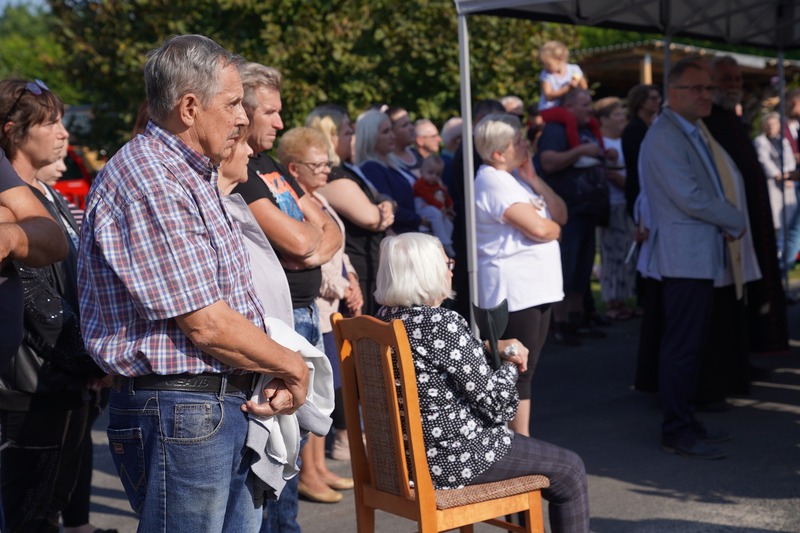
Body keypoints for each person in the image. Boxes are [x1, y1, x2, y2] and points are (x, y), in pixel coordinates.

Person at [78, 35, 310, 532]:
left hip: (207, 407)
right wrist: (291, 366)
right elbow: (206, 323)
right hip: (183, 409)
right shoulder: (152, 180)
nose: (243, 118)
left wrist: (269, 367)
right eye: (232, 104)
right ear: (189, 108)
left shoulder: (190, 174)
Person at [375, 233, 589, 533]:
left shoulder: (383, 320)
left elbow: (445, 357)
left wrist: (488, 347)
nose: (451, 270)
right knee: (570, 470)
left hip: (400, 462)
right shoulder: (442, 325)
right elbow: (500, 407)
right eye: (447, 263)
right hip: (454, 459)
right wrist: (511, 361)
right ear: (428, 271)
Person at [232, 62, 341, 531]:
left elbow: (328, 228)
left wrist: (310, 246)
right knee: (276, 448)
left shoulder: (269, 165)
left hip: (306, 311)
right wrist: (309, 243)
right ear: (244, 110)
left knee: (297, 439)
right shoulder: (241, 169)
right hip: (280, 319)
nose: (280, 122)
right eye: (270, 112)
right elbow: (299, 241)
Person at [0, 77, 104, 533]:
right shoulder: (11, 206)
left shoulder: (46, 196)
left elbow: (78, 280)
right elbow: (37, 304)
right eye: (51, 123)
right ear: (13, 131)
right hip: (31, 386)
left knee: (50, 508)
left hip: (64, 379)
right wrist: (92, 360)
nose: (64, 133)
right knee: (30, 515)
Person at [639, 56, 745, 459]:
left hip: (695, 253)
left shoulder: (687, 128)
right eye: (697, 88)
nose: (706, 95)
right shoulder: (665, 135)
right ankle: (677, 430)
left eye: (709, 88)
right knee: (682, 346)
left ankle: (686, 420)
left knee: (690, 344)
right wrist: (733, 218)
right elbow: (690, 197)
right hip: (682, 257)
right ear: (673, 92)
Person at [277, 126, 358, 503]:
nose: (326, 170)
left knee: (323, 393)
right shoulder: (291, 204)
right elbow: (311, 259)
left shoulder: (318, 199)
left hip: (331, 309)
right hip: (318, 307)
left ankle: (319, 467)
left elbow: (337, 250)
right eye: (318, 165)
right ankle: (307, 473)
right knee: (309, 396)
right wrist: (342, 287)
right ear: (294, 168)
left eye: (327, 163)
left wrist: (352, 279)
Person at [473, 113, 567, 436]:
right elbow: (541, 228)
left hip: (537, 289)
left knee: (528, 367)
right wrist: (553, 230)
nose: (525, 145)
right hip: (513, 291)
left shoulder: (515, 178)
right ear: (498, 153)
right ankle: (519, 442)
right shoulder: (491, 180)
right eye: (517, 142)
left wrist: (535, 179)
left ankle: (519, 440)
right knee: (517, 369)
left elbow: (561, 214)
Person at [704, 55, 789, 355]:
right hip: (729, 224)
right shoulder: (706, 122)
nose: (733, 85)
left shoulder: (733, 119)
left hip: (753, 218)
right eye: (726, 79)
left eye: (737, 79)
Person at [307, 104, 394, 318]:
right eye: (347, 133)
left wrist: (387, 203)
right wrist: (385, 207)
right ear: (331, 137)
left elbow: (381, 198)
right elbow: (373, 218)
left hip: (371, 263)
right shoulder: (330, 176)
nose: (352, 138)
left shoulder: (347, 169)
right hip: (359, 270)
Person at [537, 88, 609, 345]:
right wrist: (580, 152)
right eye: (583, 104)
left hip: (588, 211)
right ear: (568, 107)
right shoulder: (556, 130)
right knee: (566, 269)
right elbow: (548, 162)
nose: (589, 109)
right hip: (569, 213)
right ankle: (560, 323)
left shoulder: (586, 128)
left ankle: (578, 319)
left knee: (582, 269)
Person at [0, 147, 67, 366]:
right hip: (27, 376)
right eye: (48, 127)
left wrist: (10, 235)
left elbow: (53, 237)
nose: (62, 134)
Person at [594, 97, 636, 320]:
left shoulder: (622, 141)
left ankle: (622, 298)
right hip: (610, 204)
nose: (622, 118)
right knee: (611, 253)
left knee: (626, 251)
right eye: (617, 114)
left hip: (625, 203)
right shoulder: (600, 144)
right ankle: (611, 299)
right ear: (604, 119)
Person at [356, 108, 425, 234]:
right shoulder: (371, 168)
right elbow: (388, 208)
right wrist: (420, 219)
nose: (392, 136)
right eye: (385, 132)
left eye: (391, 130)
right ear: (371, 136)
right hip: (401, 236)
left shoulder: (391, 164)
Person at [755, 111, 798, 249]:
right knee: (774, 221)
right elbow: (764, 160)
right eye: (768, 124)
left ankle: (784, 249)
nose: (771, 127)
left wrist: (788, 175)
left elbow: (790, 159)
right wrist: (777, 174)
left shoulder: (783, 141)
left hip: (787, 183)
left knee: (788, 220)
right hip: (773, 183)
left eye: (774, 124)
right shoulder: (760, 141)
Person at [413, 154, 456, 257]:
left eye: (438, 174)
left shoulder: (436, 185)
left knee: (448, 223)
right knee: (436, 214)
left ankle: (445, 241)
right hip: (421, 208)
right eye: (430, 172)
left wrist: (449, 206)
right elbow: (428, 197)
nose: (434, 176)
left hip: (434, 208)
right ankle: (443, 242)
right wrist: (440, 206)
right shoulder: (420, 184)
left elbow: (445, 195)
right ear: (422, 171)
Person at [537, 41, 588, 111]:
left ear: (559, 59)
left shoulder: (574, 69)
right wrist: (567, 88)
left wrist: (576, 85)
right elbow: (548, 96)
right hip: (550, 109)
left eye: (548, 64)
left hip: (569, 106)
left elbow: (584, 87)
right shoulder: (546, 74)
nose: (545, 67)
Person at [387, 106, 423, 176]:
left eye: (410, 123)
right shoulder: (388, 162)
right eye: (405, 125)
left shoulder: (416, 154)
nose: (411, 128)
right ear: (392, 131)